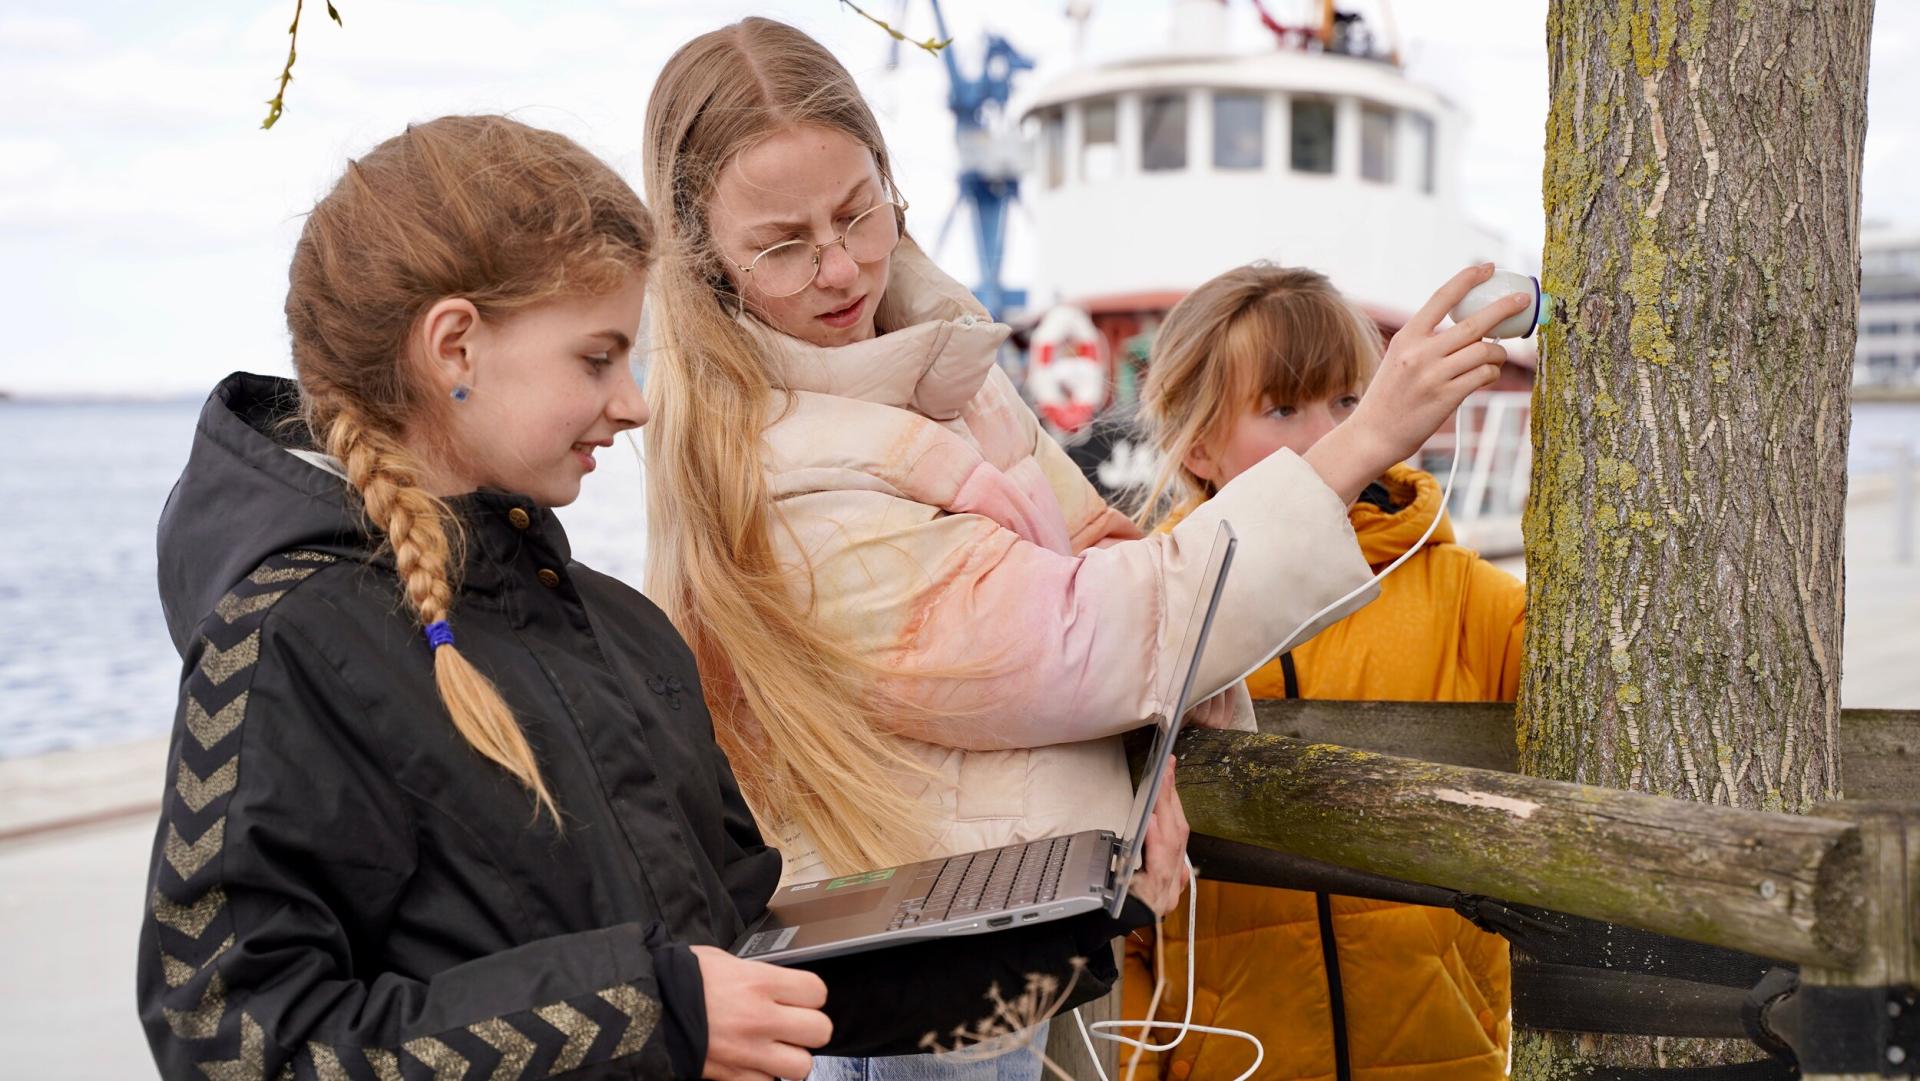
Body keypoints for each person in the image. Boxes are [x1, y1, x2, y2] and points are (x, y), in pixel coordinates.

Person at [136, 114, 1183, 1081]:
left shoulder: (619, 631)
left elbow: (752, 963)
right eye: (596, 357)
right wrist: (646, 1013)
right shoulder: (285, 642)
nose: (633, 404)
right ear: (454, 345)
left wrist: (1070, 927)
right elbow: (231, 1038)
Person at [638, 18, 1530, 1079]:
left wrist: (1140, 754)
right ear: (705, 259)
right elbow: (1080, 636)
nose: (840, 266)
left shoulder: (936, 372)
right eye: (783, 244)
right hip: (905, 984)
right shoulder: (775, 471)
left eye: (857, 211)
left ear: (891, 180)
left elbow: (1097, 543)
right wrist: (1369, 437)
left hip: (985, 944)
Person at [1122, 263, 1526, 1081]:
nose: (1334, 432)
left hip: (1443, 1054)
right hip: (1222, 1057)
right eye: (1283, 408)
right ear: (1196, 442)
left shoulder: (1466, 598)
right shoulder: (1148, 605)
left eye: (1351, 400)